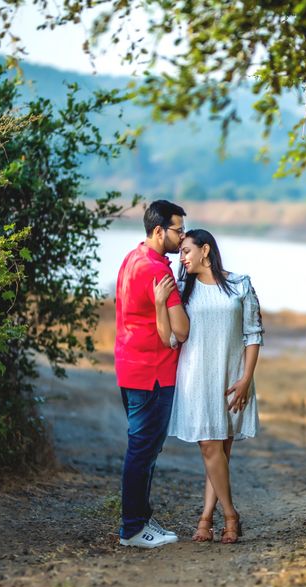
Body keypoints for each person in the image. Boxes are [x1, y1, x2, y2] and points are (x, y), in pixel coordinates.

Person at [160, 229, 264, 544]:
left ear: (205, 250)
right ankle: (231, 516)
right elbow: (171, 338)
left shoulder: (240, 284)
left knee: (219, 452)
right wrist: (158, 305)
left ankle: (206, 518)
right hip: (196, 379)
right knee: (209, 448)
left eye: (187, 251)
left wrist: (246, 379)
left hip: (232, 378)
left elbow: (253, 334)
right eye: (180, 253)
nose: (182, 258)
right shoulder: (180, 290)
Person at [114, 200, 190, 548]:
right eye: (179, 230)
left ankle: (141, 519)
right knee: (143, 450)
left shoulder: (133, 258)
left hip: (130, 366)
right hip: (153, 373)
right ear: (159, 231)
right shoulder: (159, 272)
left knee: (142, 448)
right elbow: (182, 330)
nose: (183, 236)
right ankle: (132, 529)